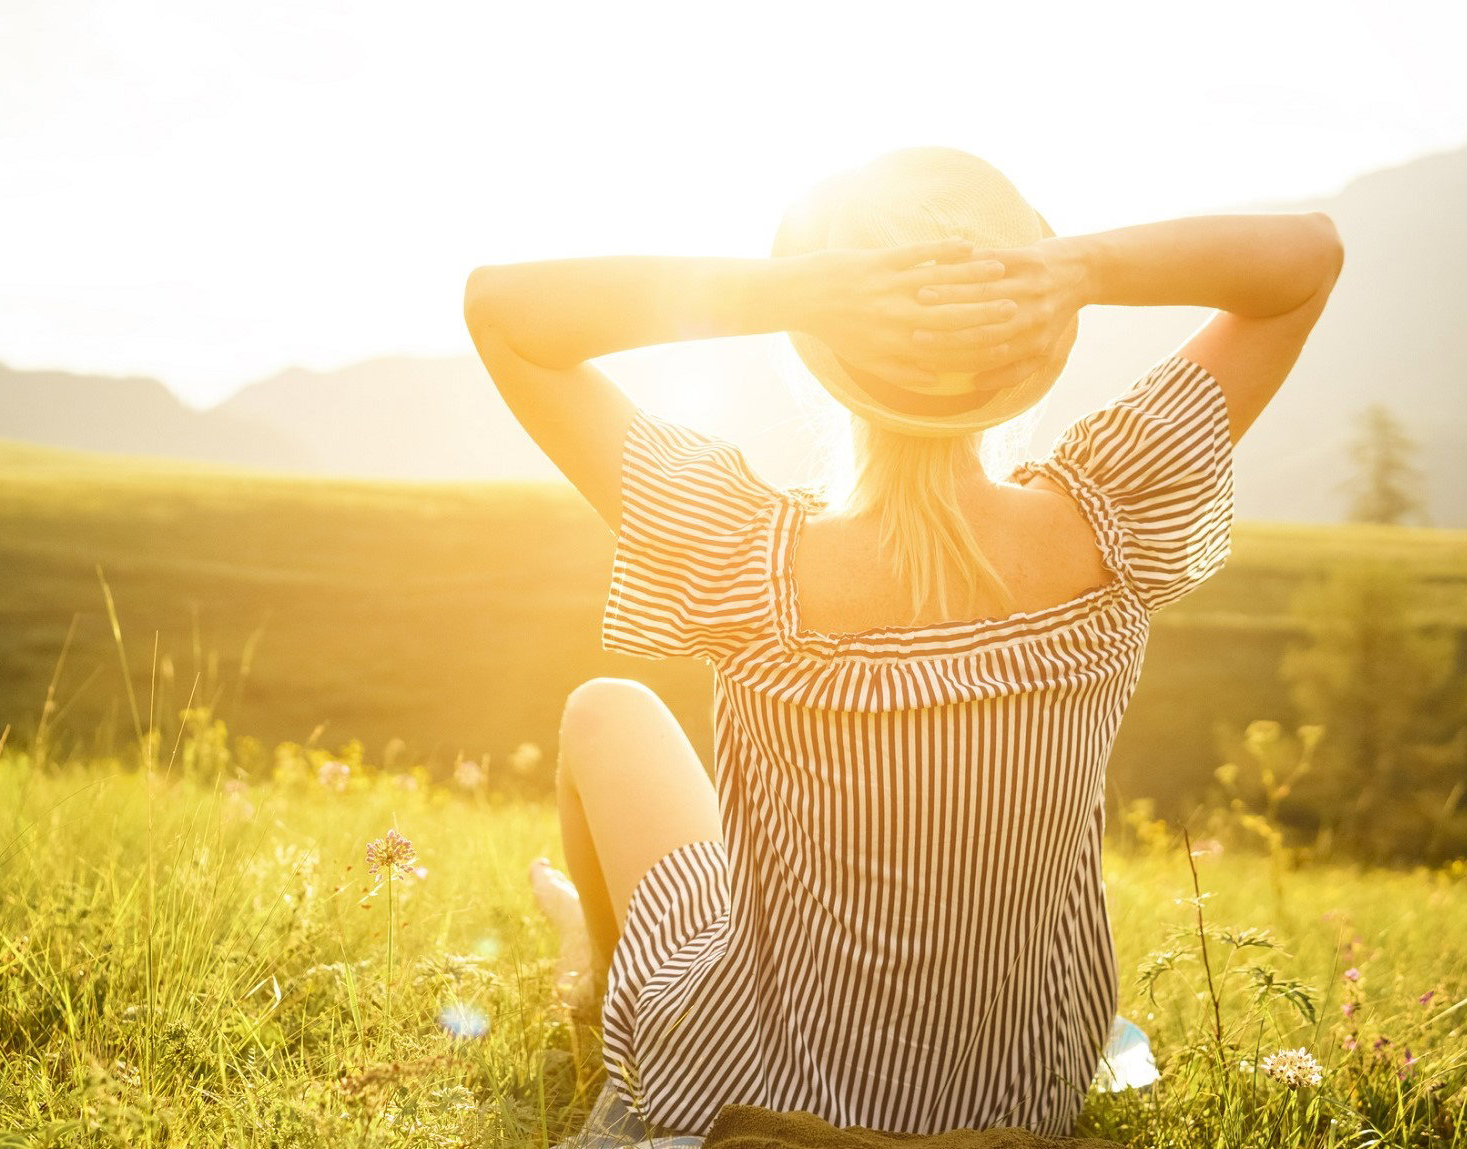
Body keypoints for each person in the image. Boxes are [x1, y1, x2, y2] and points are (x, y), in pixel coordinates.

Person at [462, 148, 1343, 1139]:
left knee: (606, 710)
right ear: (1028, 350)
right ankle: (603, 962)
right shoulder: (1112, 517)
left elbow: (501, 311)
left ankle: (600, 979)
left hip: (756, 1091)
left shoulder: (741, 551)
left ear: (827, 350)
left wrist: (797, 289)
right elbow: (1306, 259)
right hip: (1016, 1099)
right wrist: (1076, 269)